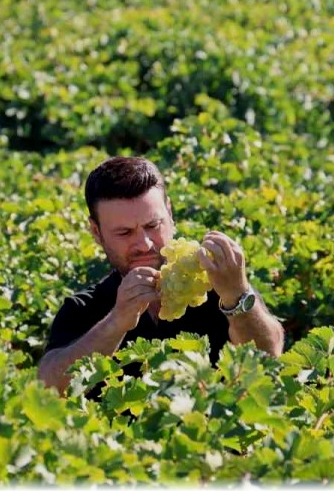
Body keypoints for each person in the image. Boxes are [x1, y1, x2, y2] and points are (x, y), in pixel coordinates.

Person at [38, 156, 284, 392]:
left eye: (152, 226)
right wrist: (116, 322)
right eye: (124, 233)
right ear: (96, 232)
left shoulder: (215, 286)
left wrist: (237, 295)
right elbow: (47, 389)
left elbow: (269, 358)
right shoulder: (84, 308)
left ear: (170, 213)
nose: (144, 243)